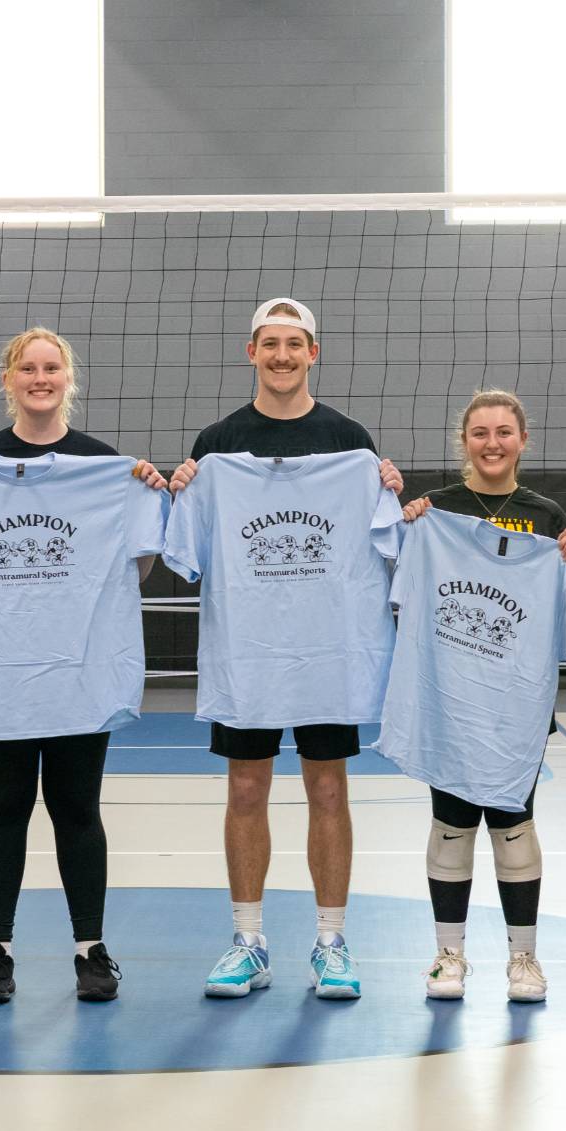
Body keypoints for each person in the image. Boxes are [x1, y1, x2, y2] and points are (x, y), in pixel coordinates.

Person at [0, 328, 167, 1005]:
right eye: (29, 367)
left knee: (78, 808)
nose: (40, 377)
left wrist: (145, 490)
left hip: (79, 670)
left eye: (51, 367)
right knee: (3, 810)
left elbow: (135, 565)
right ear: (9, 379)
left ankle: (92, 950)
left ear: (68, 378)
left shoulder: (106, 468)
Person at [167, 298, 403, 1000]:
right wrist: (182, 487)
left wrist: (389, 488)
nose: (281, 355)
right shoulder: (216, 445)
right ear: (251, 353)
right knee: (246, 787)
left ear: (313, 352)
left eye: (293, 344)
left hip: (328, 651)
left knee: (329, 786)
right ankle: (249, 940)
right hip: (250, 654)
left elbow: (389, 538)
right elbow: (184, 551)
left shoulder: (351, 444)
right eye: (269, 344)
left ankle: (331, 941)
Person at [398, 390, 566, 1001]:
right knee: (451, 823)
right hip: (450, 698)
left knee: (513, 821)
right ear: (465, 443)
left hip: (517, 706)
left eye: (504, 432)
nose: (492, 443)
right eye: (480, 433)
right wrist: (408, 526)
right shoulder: (437, 512)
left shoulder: (547, 515)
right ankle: (447, 955)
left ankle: (523, 959)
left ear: (522, 441)